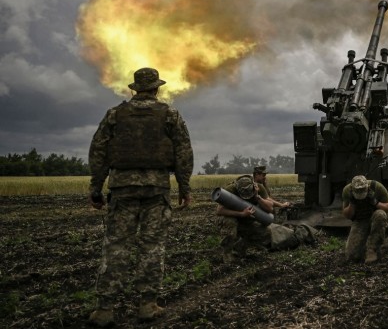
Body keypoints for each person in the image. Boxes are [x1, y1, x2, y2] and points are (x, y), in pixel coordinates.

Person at [87, 67, 193, 327]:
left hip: (122, 189)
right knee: (151, 247)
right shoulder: (170, 115)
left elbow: (98, 151)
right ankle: (147, 305)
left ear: (134, 89)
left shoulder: (114, 114)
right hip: (156, 190)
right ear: (157, 88)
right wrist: (184, 187)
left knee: (116, 246)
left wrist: (96, 188)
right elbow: (183, 152)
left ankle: (104, 310)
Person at [215, 175, 317, 263]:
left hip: (249, 218)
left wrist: (257, 197)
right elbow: (219, 211)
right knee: (229, 221)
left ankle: (239, 248)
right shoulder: (230, 190)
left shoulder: (258, 188)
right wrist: (241, 214)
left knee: (264, 233)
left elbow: (269, 208)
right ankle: (227, 254)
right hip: (233, 217)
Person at [341, 175, 388, 263]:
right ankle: (364, 245)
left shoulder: (376, 187)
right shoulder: (347, 190)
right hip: (360, 221)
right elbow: (348, 215)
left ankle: (372, 249)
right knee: (351, 256)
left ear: (368, 188)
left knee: (380, 214)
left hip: (375, 217)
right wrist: (352, 203)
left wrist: (376, 202)